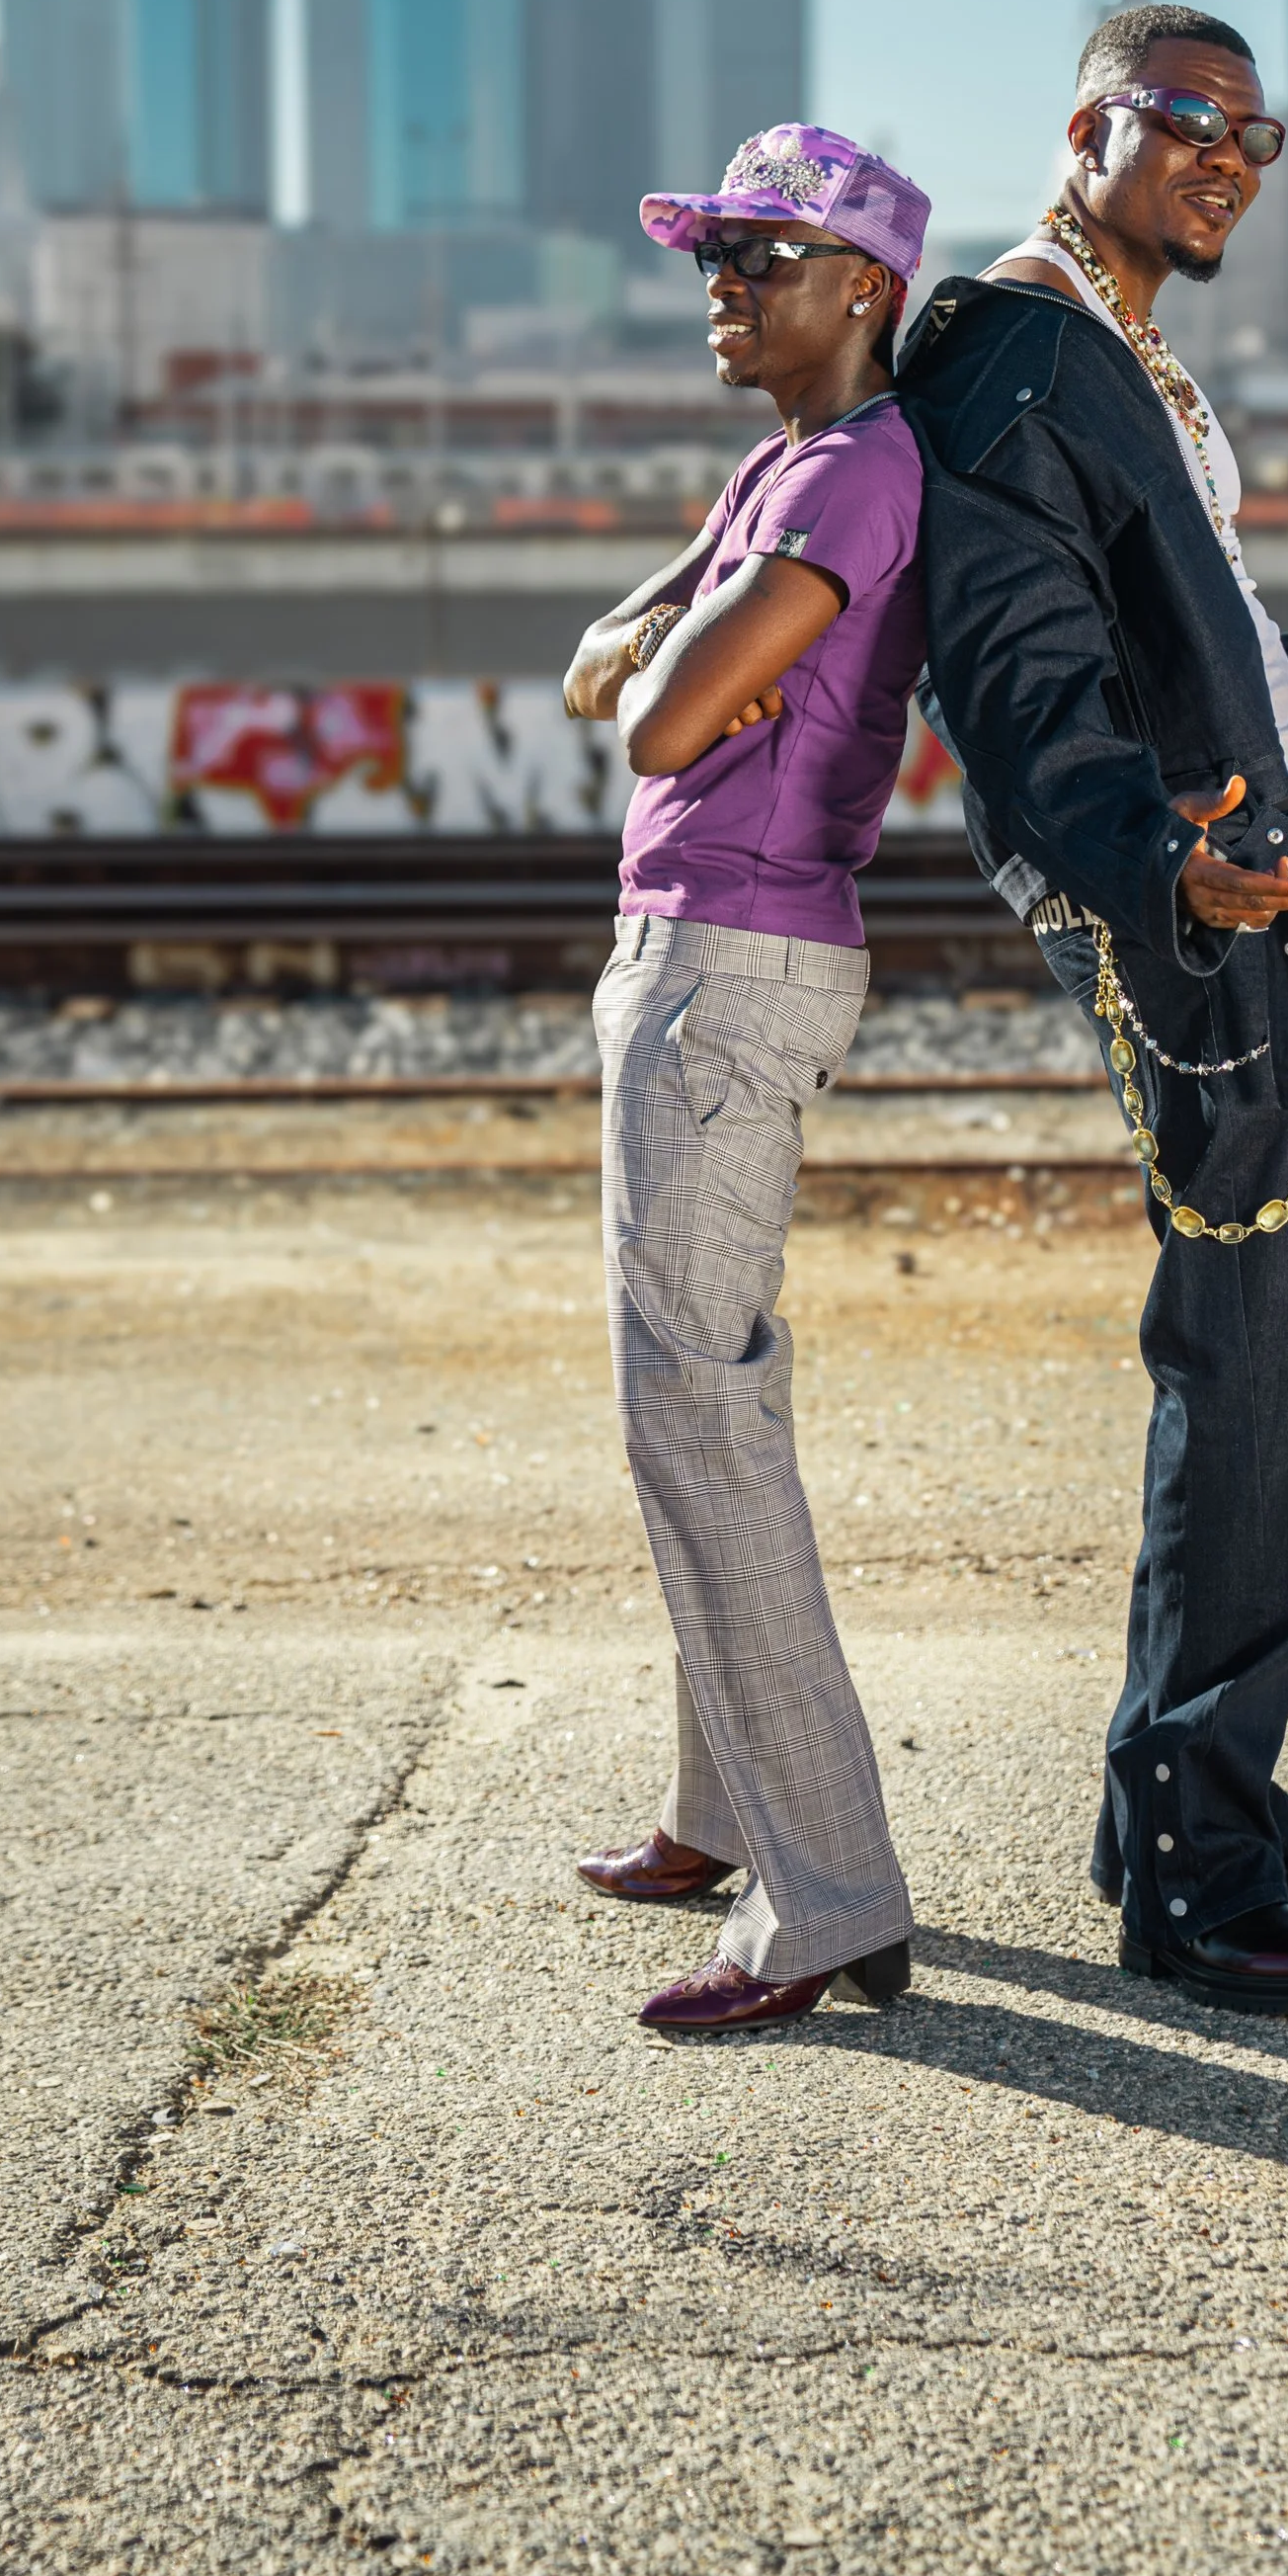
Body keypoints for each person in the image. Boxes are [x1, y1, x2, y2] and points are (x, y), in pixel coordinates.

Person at [897, 4, 1288, 2024]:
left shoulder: (1113, 359)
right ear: (1089, 124)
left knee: (1285, 1385)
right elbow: (1019, 677)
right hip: (1213, 928)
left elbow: (1214, 655)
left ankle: (1188, 1786)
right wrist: (1148, 865)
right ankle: (1190, 1862)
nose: (1227, 160)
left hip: (1269, 896)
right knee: (1260, 1393)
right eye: (1188, 121)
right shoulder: (1010, 352)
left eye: (1254, 136)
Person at [561, 125, 932, 2038]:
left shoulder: (852, 479)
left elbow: (648, 715)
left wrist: (660, 677)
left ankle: (830, 1903)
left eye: (759, 255)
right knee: (695, 1394)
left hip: (729, 967)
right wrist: (652, 672)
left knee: (694, 1415)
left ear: (862, 286)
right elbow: (603, 675)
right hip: (700, 960)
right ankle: (719, 1819)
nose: (719, 282)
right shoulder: (779, 470)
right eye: (709, 252)